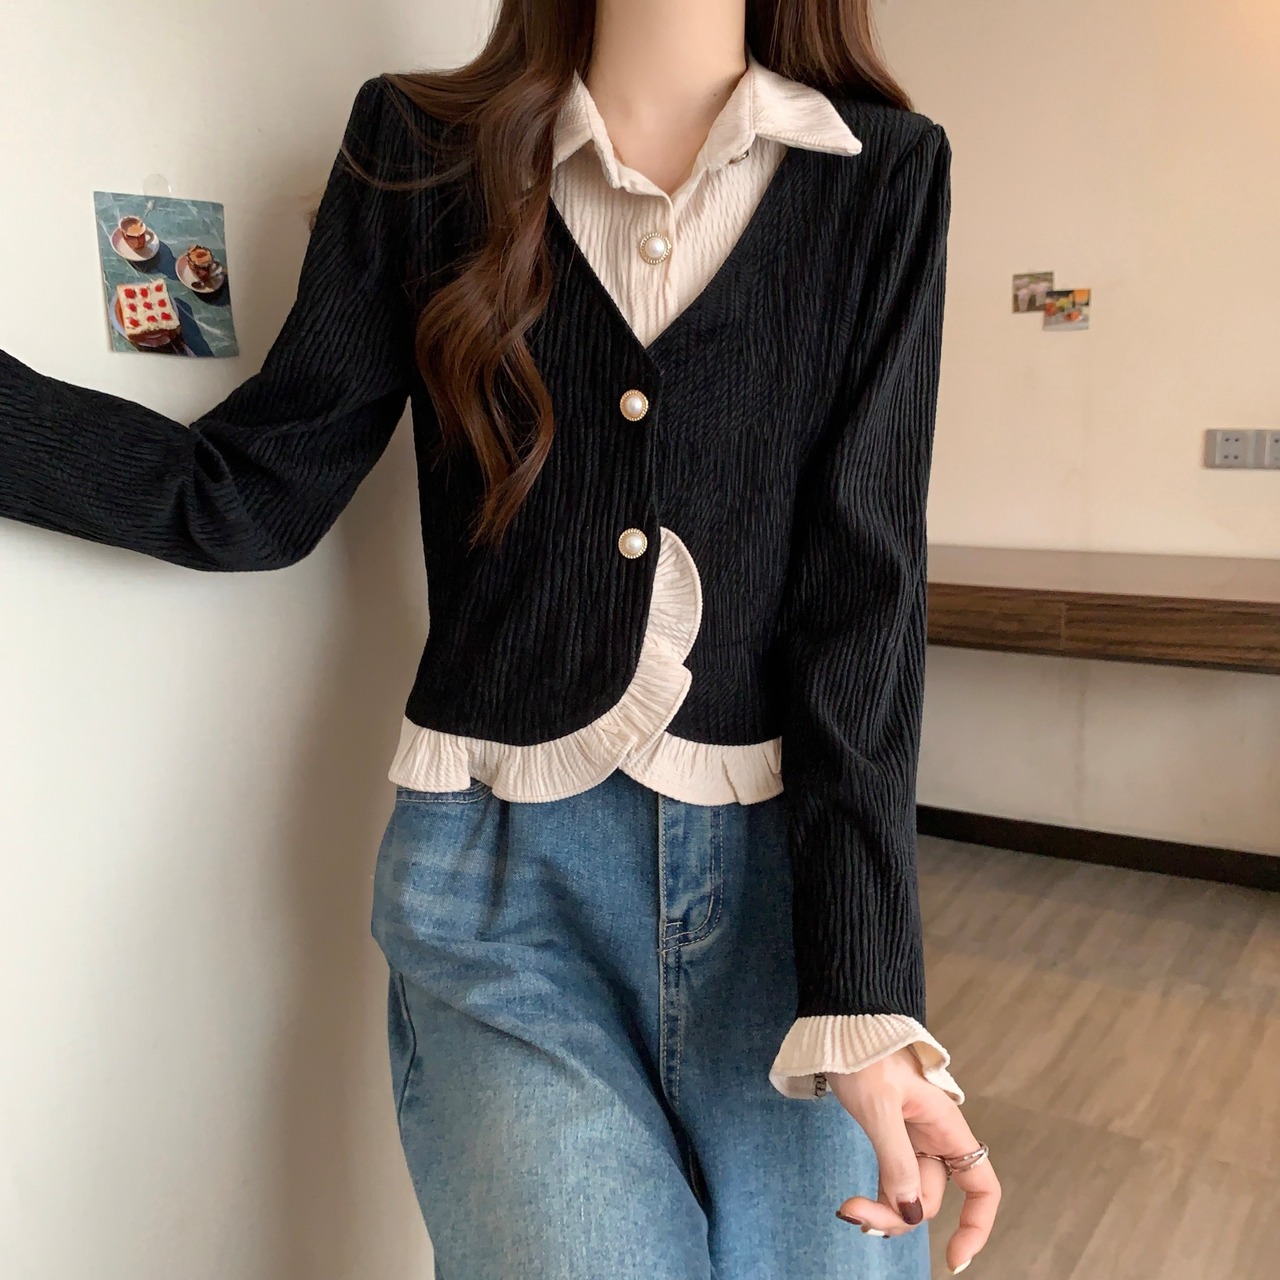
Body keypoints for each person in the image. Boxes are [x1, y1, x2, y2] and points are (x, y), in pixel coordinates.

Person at [0, 1, 1001, 1276]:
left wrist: (865, 986)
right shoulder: (419, 147)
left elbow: (865, 604)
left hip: (783, 894)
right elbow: (251, 494)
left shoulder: (881, 171)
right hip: (499, 891)